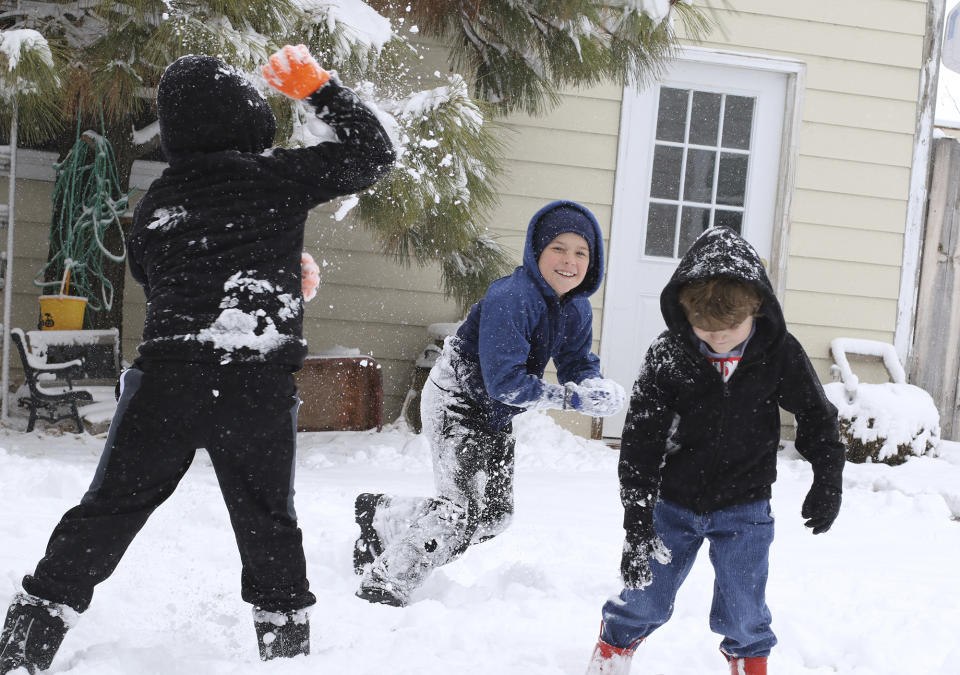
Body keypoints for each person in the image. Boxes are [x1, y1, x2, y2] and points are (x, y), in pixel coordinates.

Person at [0, 45, 394, 673]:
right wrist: (319, 89)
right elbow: (375, 153)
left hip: (166, 382)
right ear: (247, 117)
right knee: (269, 525)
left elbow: (159, 280)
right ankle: (285, 652)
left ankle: (27, 639)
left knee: (107, 511)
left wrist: (273, 276)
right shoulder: (278, 176)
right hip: (254, 382)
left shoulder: (156, 202)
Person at [585, 226, 845, 675]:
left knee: (745, 610)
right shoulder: (669, 354)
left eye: (730, 327)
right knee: (644, 598)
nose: (718, 338)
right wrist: (637, 522)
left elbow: (817, 415)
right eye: (703, 327)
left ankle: (748, 664)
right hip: (673, 502)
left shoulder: (778, 352)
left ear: (757, 308)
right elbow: (641, 443)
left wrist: (828, 477)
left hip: (745, 506)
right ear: (684, 312)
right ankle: (612, 654)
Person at [353, 200, 627, 607]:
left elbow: (576, 360)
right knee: (458, 512)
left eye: (581, 252)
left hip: (493, 413)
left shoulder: (576, 307)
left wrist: (593, 385)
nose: (569, 261)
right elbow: (506, 384)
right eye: (558, 248)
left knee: (495, 516)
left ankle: (382, 516)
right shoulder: (513, 297)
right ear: (537, 252)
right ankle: (387, 580)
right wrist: (571, 398)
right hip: (456, 401)